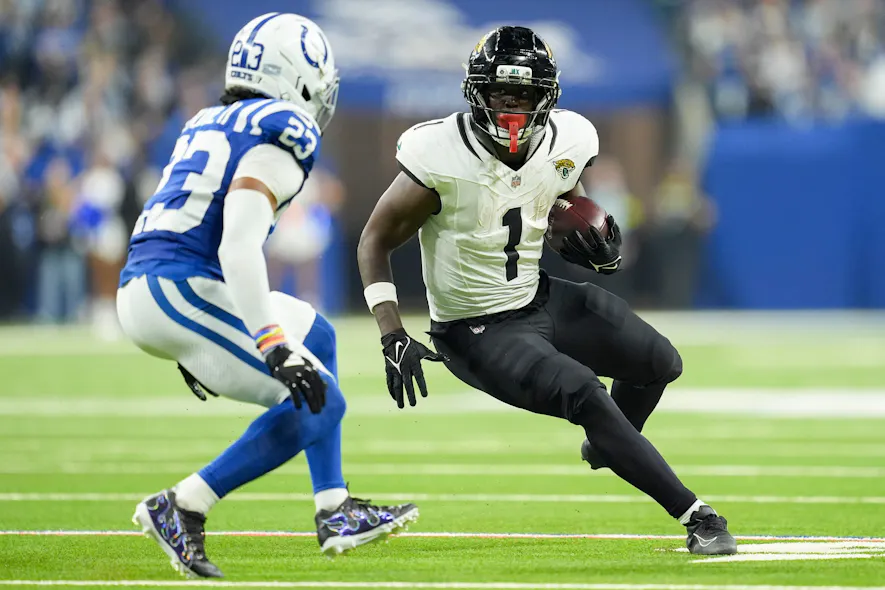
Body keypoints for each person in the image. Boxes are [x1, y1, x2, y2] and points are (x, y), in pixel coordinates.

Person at [357, 26, 736, 557]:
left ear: (548, 98)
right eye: (500, 94)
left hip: (537, 297)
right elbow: (373, 241)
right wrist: (391, 332)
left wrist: (585, 234)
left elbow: (560, 199)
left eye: (525, 95)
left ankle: (609, 442)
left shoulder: (570, 139)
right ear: (475, 92)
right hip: (475, 330)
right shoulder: (437, 152)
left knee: (658, 361)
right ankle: (696, 516)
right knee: (585, 393)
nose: (512, 108)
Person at [116, 13, 418, 579]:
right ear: (298, 80)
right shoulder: (284, 128)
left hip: (164, 281)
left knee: (319, 336)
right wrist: (268, 340)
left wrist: (216, 327)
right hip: (181, 286)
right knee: (322, 399)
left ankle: (335, 508)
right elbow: (237, 246)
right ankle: (184, 505)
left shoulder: (213, 118)